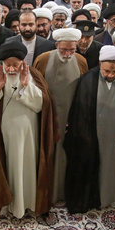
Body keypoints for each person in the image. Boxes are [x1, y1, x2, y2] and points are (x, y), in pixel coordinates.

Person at [0, 41, 58, 218]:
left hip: (29, 131)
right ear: (2, 64)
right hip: (5, 132)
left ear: (23, 62)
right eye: (8, 65)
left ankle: (29, 204)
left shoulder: (33, 75)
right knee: (9, 166)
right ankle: (10, 205)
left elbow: (43, 105)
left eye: (16, 64)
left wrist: (26, 86)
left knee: (28, 166)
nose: (12, 69)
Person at [64, 45, 115, 213]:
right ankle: (94, 198)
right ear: (100, 64)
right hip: (93, 136)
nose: (110, 75)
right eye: (106, 71)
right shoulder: (88, 80)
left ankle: (114, 197)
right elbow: (80, 114)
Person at [32, 28, 88, 203]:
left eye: (72, 50)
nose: (68, 54)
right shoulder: (43, 59)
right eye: (64, 49)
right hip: (46, 117)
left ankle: (63, 192)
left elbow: (84, 92)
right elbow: (34, 89)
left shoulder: (81, 61)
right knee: (46, 153)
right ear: (56, 45)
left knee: (66, 155)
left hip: (70, 118)